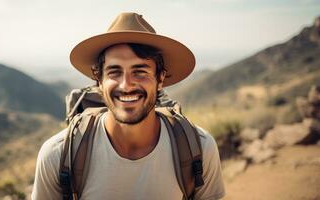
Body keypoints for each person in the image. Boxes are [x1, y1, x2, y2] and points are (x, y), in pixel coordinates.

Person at [32, 12, 225, 200]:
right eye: (114, 72)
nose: (126, 85)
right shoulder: (57, 156)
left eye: (140, 71)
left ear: (160, 79)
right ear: (99, 81)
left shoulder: (199, 148)